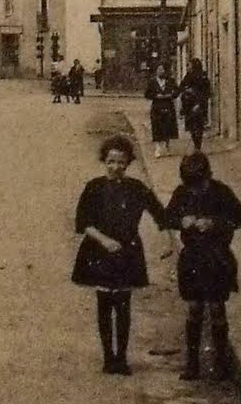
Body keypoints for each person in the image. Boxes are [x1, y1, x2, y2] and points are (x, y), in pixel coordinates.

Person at [71, 134, 170, 375]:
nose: (116, 167)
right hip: (100, 252)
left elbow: (160, 215)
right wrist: (104, 240)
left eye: (121, 162)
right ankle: (108, 358)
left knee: (123, 306)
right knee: (104, 305)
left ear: (128, 163)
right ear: (104, 161)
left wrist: (169, 240)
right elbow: (82, 223)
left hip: (127, 253)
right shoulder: (94, 188)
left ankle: (122, 359)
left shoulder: (136, 188)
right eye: (111, 162)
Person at [166, 151, 241, 380]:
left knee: (217, 308)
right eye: (191, 187)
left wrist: (214, 223)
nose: (196, 191)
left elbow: (239, 219)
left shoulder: (222, 192)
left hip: (217, 257)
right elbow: (168, 217)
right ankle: (192, 364)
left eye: (200, 186)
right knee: (194, 308)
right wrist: (181, 221)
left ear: (209, 176)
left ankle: (221, 363)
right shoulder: (182, 193)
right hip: (192, 258)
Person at [144, 63, 180, 159]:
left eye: (162, 69)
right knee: (157, 127)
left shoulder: (170, 81)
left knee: (168, 126)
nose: (161, 71)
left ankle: (167, 146)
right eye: (159, 69)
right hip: (157, 107)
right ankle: (158, 148)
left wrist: (171, 95)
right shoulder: (152, 82)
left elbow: (177, 91)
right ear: (156, 71)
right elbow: (147, 94)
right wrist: (156, 96)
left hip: (168, 106)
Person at [180, 58, 211, 151]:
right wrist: (186, 90)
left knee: (198, 126)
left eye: (189, 65)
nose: (188, 67)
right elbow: (181, 86)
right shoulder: (188, 76)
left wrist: (199, 104)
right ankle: (195, 144)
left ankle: (198, 146)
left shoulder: (202, 77)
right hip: (189, 105)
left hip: (199, 104)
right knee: (192, 127)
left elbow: (206, 92)